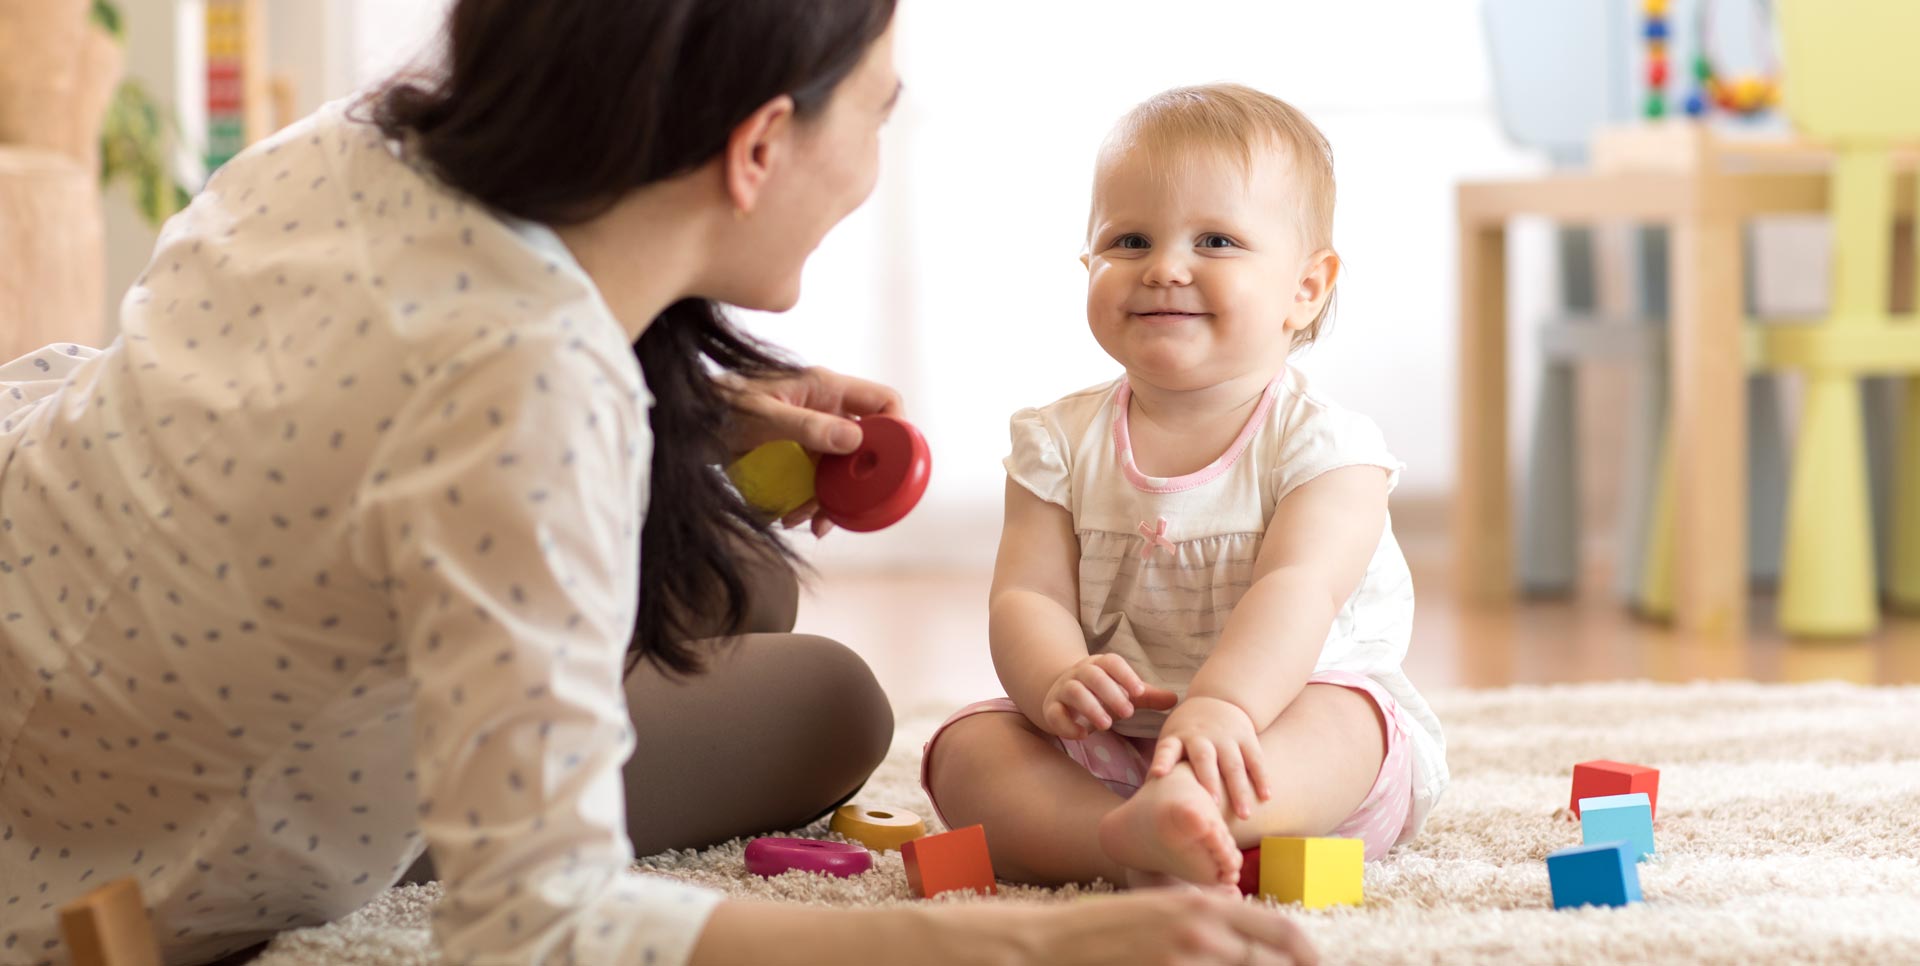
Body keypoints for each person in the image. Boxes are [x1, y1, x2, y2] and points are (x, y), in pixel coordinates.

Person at [0, 3, 1317, 964]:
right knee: (830, 700)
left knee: (742, 568)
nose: (874, 161)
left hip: (59, 573)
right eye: (877, 115)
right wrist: (1036, 948)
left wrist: (718, 408)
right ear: (758, 148)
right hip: (151, 832)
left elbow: (374, 383)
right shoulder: (532, 406)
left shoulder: (360, 145)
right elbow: (538, 920)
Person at [923, 84, 1450, 891]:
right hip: (1110, 746)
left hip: (1273, 728)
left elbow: (1298, 590)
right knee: (966, 749)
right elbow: (1025, 596)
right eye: (1129, 240)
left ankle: (1199, 816)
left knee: (1351, 724)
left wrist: (1227, 707)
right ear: (1088, 266)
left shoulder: (1327, 449)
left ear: (1306, 288)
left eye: (1216, 240)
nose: (1165, 267)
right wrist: (1056, 677)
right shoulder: (1056, 443)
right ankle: (1122, 839)